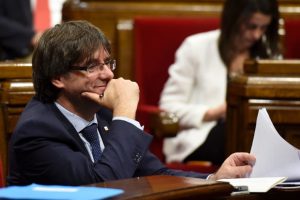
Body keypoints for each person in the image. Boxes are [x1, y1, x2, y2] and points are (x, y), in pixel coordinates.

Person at [7, 20, 255, 186]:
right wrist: (124, 113)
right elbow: (103, 187)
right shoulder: (37, 131)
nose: (108, 75)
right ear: (58, 77)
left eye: (107, 63)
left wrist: (213, 179)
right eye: (92, 66)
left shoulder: (99, 113)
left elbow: (155, 174)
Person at [159, 0, 281, 165]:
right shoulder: (196, 47)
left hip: (251, 134)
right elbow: (168, 109)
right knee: (234, 130)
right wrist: (215, 112)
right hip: (199, 138)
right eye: (251, 26)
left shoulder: (268, 54)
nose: (257, 35)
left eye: (264, 28)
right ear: (233, 20)